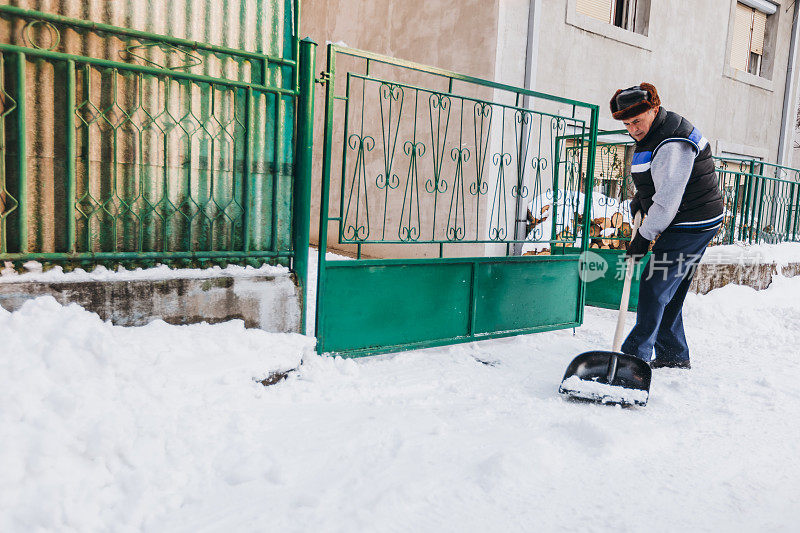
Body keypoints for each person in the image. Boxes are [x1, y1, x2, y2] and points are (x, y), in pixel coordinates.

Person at [610, 83, 723, 369]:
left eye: (637, 121)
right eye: (627, 124)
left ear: (654, 110)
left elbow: (669, 201)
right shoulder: (656, 131)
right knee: (668, 287)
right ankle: (673, 354)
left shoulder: (672, 142)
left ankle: (634, 358)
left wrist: (642, 239)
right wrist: (641, 198)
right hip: (686, 216)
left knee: (654, 282)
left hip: (692, 220)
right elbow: (658, 180)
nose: (633, 129)